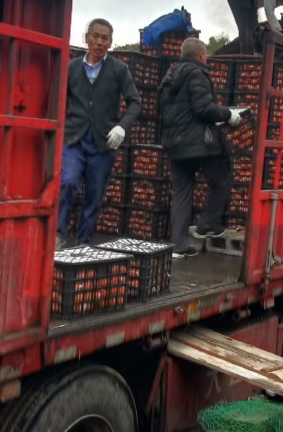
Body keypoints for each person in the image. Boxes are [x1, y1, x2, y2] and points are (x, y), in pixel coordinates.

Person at [57, 18, 141, 249]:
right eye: (95, 36)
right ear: (86, 38)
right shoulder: (72, 67)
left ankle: (83, 241)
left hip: (103, 144)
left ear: (111, 43)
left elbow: (135, 103)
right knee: (67, 181)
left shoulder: (119, 69)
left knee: (94, 195)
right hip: (74, 139)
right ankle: (59, 234)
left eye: (105, 38)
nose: (99, 42)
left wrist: (122, 126)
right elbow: (58, 100)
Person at [159, 37, 243, 258]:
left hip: (174, 145)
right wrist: (229, 115)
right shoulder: (197, 73)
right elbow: (203, 108)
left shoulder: (169, 75)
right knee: (221, 180)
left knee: (181, 193)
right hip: (198, 143)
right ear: (201, 55)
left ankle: (178, 246)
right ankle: (207, 225)